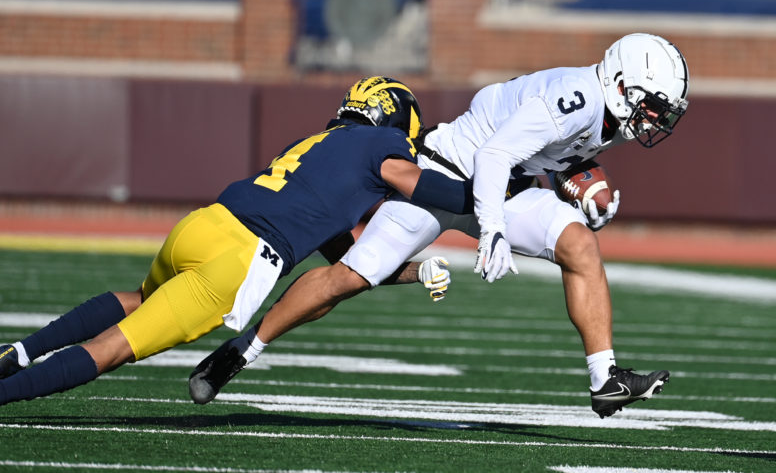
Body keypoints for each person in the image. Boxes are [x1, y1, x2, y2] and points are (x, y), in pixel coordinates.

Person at [189, 33, 688, 418]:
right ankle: (242, 350)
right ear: (622, 83)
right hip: (448, 171)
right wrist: (491, 229)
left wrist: (583, 194)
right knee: (352, 275)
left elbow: (547, 159)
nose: (653, 121)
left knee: (580, 244)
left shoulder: (607, 112)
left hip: (501, 184)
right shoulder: (576, 97)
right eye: (652, 106)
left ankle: (605, 380)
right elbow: (495, 153)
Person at [0, 76, 470, 405]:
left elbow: (349, 263)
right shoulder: (380, 147)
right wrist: (487, 194)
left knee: (142, 298)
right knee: (114, 349)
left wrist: (414, 271)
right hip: (239, 257)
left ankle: (18, 353)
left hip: (203, 225)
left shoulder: (317, 144)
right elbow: (415, 181)